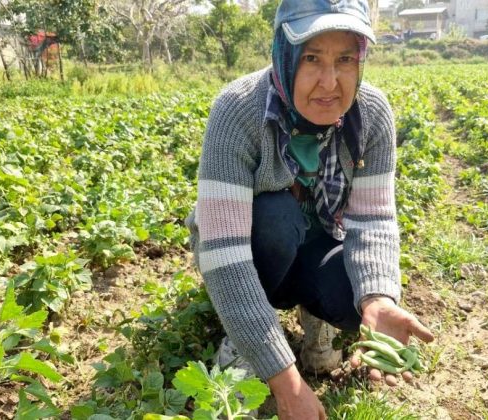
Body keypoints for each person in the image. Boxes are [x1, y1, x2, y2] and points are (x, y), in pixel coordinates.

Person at [186, 0, 434, 418]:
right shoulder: (237, 110)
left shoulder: (371, 114)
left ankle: (315, 318)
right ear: (284, 54)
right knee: (278, 217)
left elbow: (373, 220)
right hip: (252, 246)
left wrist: (377, 296)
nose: (329, 82)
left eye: (344, 60)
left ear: (361, 60)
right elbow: (224, 255)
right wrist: (284, 380)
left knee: (353, 298)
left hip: (319, 237)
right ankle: (244, 344)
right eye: (312, 58)